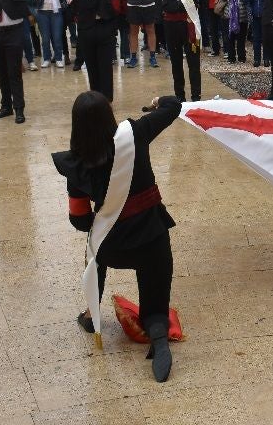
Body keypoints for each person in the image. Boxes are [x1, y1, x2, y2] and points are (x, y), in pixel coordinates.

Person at [54, 91, 179, 382]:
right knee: (155, 279)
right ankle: (157, 329)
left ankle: (90, 313)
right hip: (152, 238)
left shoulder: (75, 164)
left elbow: (81, 220)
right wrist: (160, 100)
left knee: (95, 244)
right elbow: (174, 107)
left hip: (113, 248)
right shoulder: (135, 133)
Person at [146, 0, 205, 102]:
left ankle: (196, 97)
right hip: (171, 25)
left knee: (194, 64)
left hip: (189, 24)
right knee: (176, 63)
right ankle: (180, 96)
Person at [70, 0, 119, 100]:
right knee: (92, 67)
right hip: (87, 34)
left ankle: (107, 98)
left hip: (104, 34)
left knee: (105, 68)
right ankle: (96, 97)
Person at [33, 0, 67, 68]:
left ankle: (58, 58)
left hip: (56, 13)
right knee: (45, 38)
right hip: (42, 13)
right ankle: (47, 58)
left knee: (57, 37)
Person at [218, 0, 251, 64]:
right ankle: (231, 58)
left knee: (241, 39)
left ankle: (241, 57)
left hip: (242, 17)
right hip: (229, 17)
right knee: (230, 39)